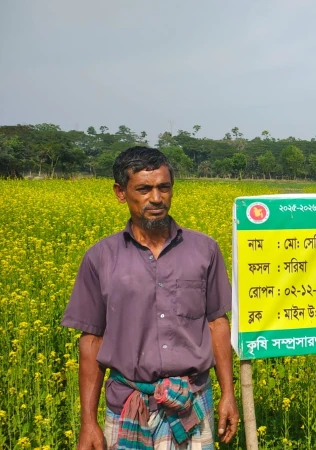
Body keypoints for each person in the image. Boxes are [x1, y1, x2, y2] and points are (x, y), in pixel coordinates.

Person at [62, 146, 239, 449]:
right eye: (144, 189)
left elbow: (217, 324)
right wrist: (88, 422)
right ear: (120, 193)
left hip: (192, 401)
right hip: (127, 404)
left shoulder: (204, 250)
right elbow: (91, 340)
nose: (156, 198)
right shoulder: (100, 258)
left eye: (164, 187)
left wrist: (228, 394)